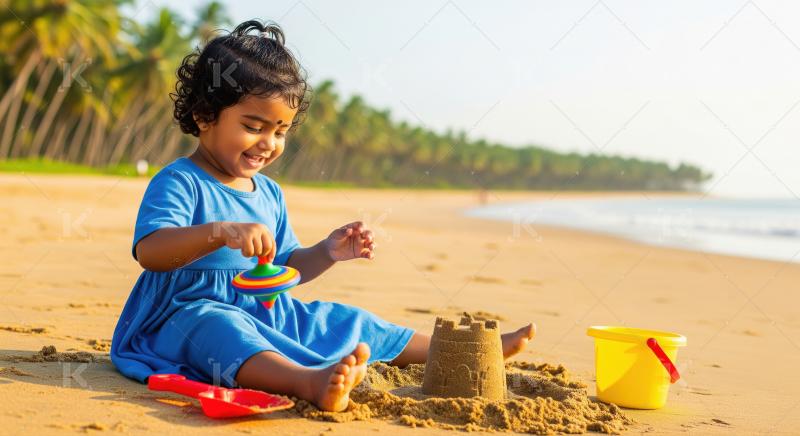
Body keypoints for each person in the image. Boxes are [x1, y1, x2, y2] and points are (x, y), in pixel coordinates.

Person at [110, 20, 535, 412]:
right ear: (205, 117)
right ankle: (306, 383)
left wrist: (327, 252)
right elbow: (151, 252)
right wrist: (220, 231)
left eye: (280, 131)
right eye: (254, 126)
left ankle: (463, 349)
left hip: (264, 308)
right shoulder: (181, 181)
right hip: (183, 316)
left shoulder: (269, 194)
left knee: (345, 319)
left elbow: (286, 268)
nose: (268, 143)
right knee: (220, 330)